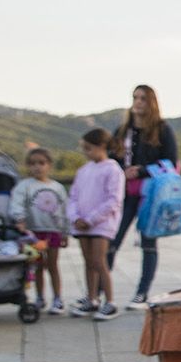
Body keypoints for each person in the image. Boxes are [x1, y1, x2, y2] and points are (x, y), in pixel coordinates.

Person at [108, 84, 179, 305]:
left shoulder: (162, 130)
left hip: (151, 194)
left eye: (143, 98)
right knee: (111, 240)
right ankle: (100, 289)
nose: (138, 102)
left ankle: (142, 292)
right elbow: (110, 157)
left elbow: (170, 162)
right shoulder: (123, 131)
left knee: (148, 244)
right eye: (135, 97)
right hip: (124, 193)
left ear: (151, 103)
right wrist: (122, 169)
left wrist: (141, 170)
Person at [67, 128, 124, 320]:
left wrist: (91, 219)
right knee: (88, 262)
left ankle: (109, 301)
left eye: (88, 148)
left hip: (101, 225)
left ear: (102, 146)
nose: (86, 152)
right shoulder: (83, 170)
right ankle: (91, 299)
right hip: (81, 224)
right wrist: (75, 217)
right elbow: (73, 196)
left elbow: (113, 200)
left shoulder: (113, 169)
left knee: (100, 262)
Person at [11, 149, 70, 313]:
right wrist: (20, 219)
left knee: (53, 265)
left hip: (53, 231)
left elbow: (64, 210)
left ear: (49, 165)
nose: (37, 167)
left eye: (41, 163)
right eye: (33, 164)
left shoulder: (57, 188)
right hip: (32, 233)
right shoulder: (24, 186)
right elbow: (17, 204)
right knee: (37, 266)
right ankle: (39, 297)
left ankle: (57, 298)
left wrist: (65, 231)